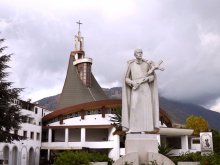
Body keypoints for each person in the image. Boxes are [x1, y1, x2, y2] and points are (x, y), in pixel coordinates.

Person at [122, 49, 163, 133]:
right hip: (136, 88)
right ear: (134, 54)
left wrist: (147, 78)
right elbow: (126, 78)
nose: (140, 54)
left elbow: (152, 77)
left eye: (141, 53)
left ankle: (144, 129)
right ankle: (133, 128)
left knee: (145, 108)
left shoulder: (146, 64)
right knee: (134, 107)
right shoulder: (131, 65)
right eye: (138, 53)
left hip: (145, 88)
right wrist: (132, 82)